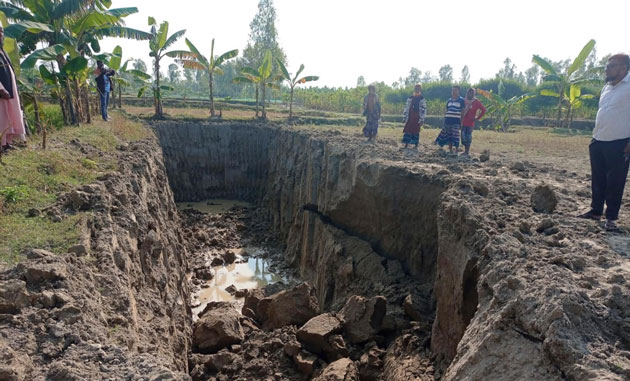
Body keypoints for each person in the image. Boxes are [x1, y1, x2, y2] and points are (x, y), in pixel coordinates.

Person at [578, 54, 630, 232]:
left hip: (619, 142)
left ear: (623, 68)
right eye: (607, 66)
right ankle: (596, 211)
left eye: (611, 66)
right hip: (599, 140)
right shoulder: (606, 88)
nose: (606, 69)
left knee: (615, 181)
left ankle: (611, 218)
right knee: (598, 178)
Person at [0, 26, 25, 152]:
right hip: (2, 90)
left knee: (10, 116)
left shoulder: (2, 51)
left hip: (9, 88)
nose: (0, 34)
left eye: (1, 31)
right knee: (2, 117)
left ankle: (6, 143)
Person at [435, 86, 466, 155]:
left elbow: (463, 111)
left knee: (455, 135)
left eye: (455, 90)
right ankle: (450, 149)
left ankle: (457, 149)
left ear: (458, 91)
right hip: (448, 120)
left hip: (456, 120)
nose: (454, 92)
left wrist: (461, 121)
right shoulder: (449, 100)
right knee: (449, 135)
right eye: (452, 91)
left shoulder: (461, 100)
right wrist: (445, 118)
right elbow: (447, 110)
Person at [460, 88, 486, 156]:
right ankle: (464, 150)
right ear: (467, 93)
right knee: (463, 136)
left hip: (470, 123)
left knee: (468, 137)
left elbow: (483, 110)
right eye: (469, 92)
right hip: (463, 121)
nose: (470, 94)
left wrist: (477, 118)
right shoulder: (464, 100)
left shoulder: (476, 102)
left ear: (474, 94)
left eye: (472, 93)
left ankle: (466, 151)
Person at [401, 84, 426, 149]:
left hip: (417, 117)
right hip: (410, 117)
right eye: (416, 88)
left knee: (416, 131)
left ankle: (416, 144)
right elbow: (406, 108)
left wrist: (422, 119)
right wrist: (404, 117)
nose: (417, 90)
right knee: (408, 129)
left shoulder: (422, 99)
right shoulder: (410, 98)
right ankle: (406, 144)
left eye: (418, 88)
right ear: (414, 89)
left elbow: (424, 110)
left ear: (420, 90)